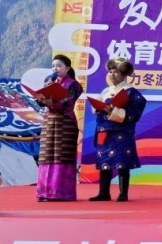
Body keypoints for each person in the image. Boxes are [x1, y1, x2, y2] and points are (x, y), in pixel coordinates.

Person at [90, 58, 147, 202]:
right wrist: (99, 107)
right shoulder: (105, 91)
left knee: (123, 162)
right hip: (104, 131)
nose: (112, 75)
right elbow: (95, 107)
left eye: (116, 72)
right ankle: (104, 192)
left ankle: (123, 193)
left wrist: (114, 111)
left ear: (124, 74)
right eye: (110, 72)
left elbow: (135, 113)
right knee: (104, 162)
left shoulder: (131, 92)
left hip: (121, 132)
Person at [35, 54, 83, 201]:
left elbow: (68, 103)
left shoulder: (74, 85)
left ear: (67, 68)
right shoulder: (49, 81)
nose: (55, 68)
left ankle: (60, 192)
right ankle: (44, 192)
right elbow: (40, 101)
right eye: (53, 66)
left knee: (61, 155)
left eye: (59, 66)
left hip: (65, 121)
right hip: (49, 121)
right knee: (47, 154)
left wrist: (53, 103)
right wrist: (43, 99)